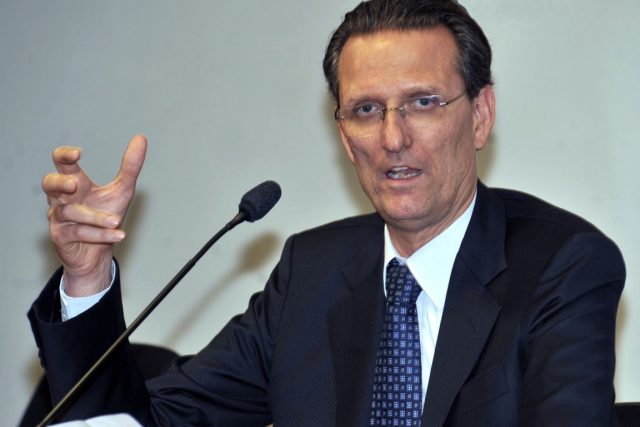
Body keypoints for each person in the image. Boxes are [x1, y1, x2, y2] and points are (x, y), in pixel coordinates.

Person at [29, 0, 625, 426]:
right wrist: (87, 278)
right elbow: (143, 422)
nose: (393, 138)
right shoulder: (311, 273)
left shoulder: (563, 266)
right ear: (344, 136)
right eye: (365, 110)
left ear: (480, 116)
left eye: (422, 103)